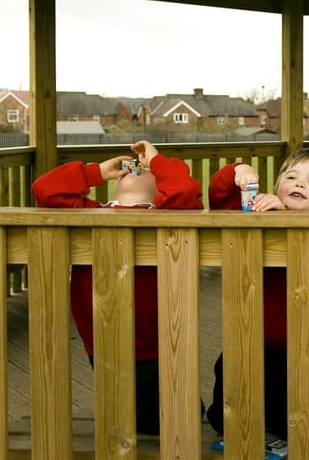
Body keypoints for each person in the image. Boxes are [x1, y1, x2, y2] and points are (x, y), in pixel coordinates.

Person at [31, 140, 203, 435]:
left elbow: (183, 190)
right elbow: (44, 190)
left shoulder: (167, 214)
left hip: (159, 344)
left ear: (159, 189)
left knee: (168, 416)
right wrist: (95, 172)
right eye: (129, 170)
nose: (136, 169)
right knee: (121, 416)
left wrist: (158, 162)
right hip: (102, 340)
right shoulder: (91, 213)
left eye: (147, 170)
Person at [205, 147, 309, 442]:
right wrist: (240, 171)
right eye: (291, 177)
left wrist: (285, 218)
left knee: (289, 417)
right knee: (224, 414)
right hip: (244, 336)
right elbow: (219, 196)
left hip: (295, 345)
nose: (299, 184)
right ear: (277, 187)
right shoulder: (255, 213)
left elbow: (302, 252)